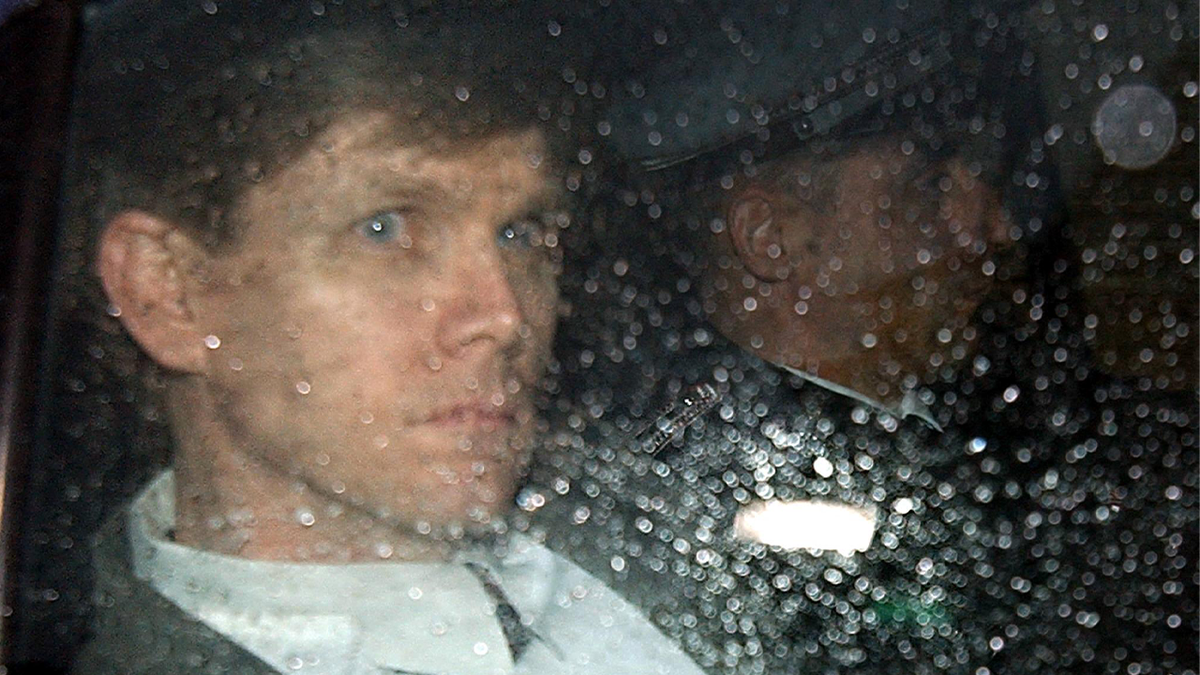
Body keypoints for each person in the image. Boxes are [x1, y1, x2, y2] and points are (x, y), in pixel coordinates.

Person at [527, 1, 1195, 673]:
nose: (993, 228)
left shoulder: (999, 411)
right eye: (930, 187)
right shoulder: (696, 508)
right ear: (773, 238)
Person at [68, 3, 705, 673]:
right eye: (385, 228)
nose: (504, 315)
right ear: (168, 292)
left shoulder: (647, 528)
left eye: (520, 234)